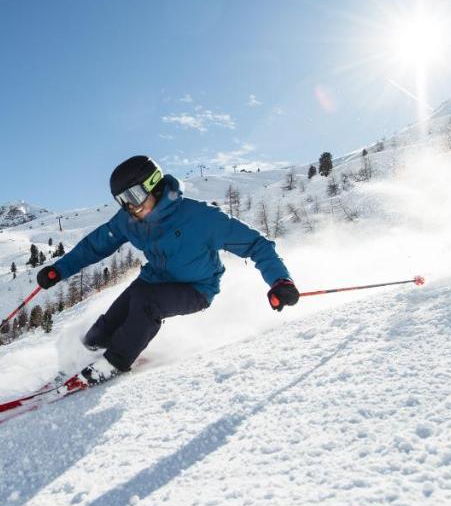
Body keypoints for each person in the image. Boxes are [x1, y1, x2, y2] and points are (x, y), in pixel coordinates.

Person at [36, 155, 298, 385]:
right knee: (106, 327)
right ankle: (86, 355)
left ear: (155, 185)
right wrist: (58, 270)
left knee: (146, 304)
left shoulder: (201, 218)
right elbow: (95, 246)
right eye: (122, 200)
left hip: (196, 288)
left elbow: (257, 245)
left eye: (133, 196)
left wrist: (280, 281)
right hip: (154, 280)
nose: (130, 206)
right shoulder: (130, 220)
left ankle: (114, 363)